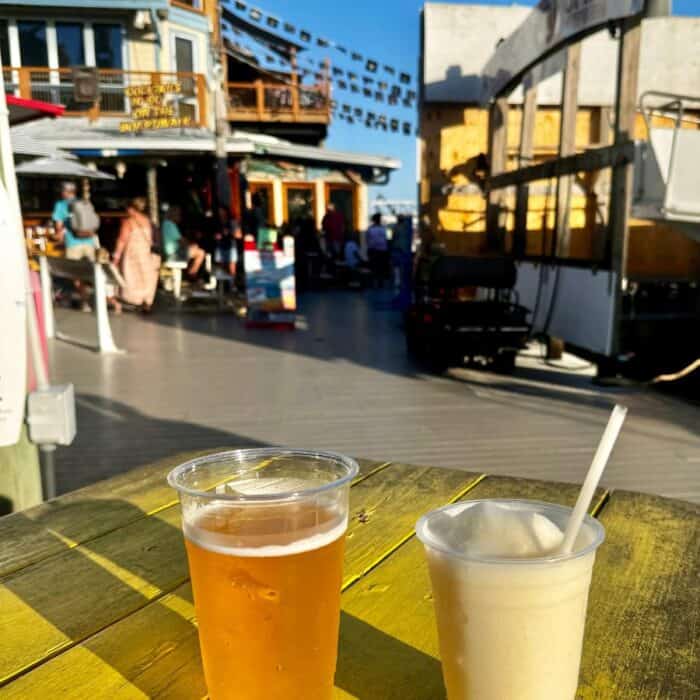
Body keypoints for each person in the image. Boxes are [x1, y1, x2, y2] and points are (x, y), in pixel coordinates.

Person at [52, 181, 99, 311]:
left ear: (64, 192)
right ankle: (103, 298)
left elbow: (59, 228)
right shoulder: (84, 202)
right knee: (94, 271)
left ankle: (85, 303)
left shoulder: (60, 205)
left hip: (73, 243)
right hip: (90, 242)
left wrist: (57, 237)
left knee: (75, 275)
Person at [113, 197, 160, 311]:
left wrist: (116, 256)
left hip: (132, 254)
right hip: (146, 253)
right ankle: (147, 301)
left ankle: (135, 301)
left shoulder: (129, 222)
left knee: (132, 278)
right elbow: (156, 238)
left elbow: (122, 240)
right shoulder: (148, 221)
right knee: (146, 278)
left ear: (132, 208)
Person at [161, 205, 206, 280]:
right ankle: (192, 275)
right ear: (174, 214)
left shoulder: (165, 224)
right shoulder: (171, 225)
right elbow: (182, 241)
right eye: (179, 214)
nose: (180, 217)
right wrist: (192, 245)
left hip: (170, 253)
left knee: (195, 249)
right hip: (174, 255)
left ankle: (191, 275)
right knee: (201, 253)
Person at [366, 213, 389, 287]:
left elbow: (367, 239)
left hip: (373, 250)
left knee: (374, 267)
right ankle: (380, 282)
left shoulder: (370, 229)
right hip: (381, 251)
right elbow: (386, 239)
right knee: (380, 267)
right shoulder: (383, 229)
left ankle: (374, 283)